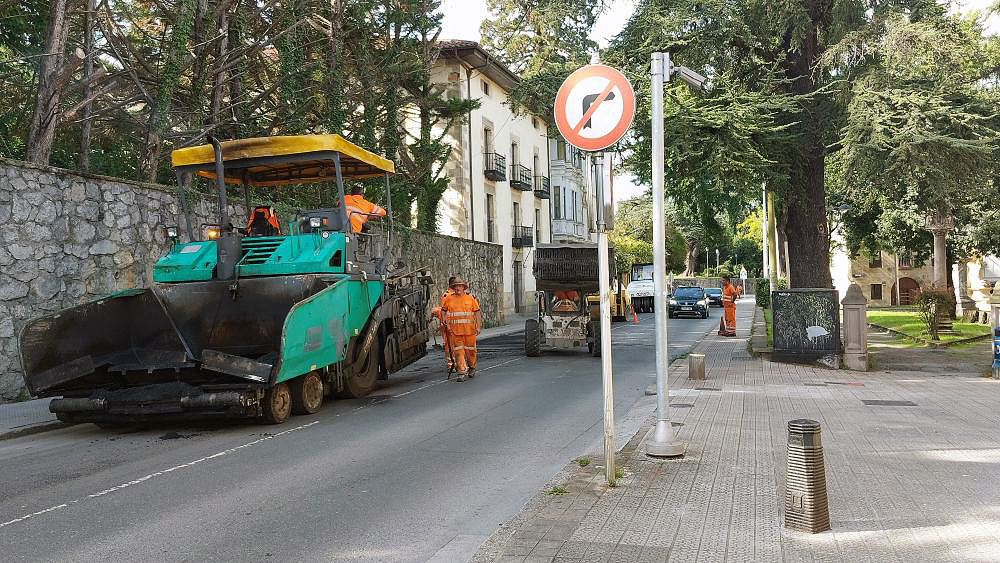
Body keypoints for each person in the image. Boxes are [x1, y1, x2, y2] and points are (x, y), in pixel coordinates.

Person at [441, 277, 482, 382]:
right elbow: (443, 310)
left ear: (464, 287)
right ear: (453, 287)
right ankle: (461, 372)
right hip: (456, 332)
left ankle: (472, 367)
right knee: (458, 352)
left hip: (469, 331)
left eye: (460, 286)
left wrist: (478, 326)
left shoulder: (470, 299)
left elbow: (477, 312)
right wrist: (444, 321)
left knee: (471, 352)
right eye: (456, 286)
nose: (457, 288)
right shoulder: (449, 299)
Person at [431, 277, 457, 370]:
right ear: (452, 284)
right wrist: (445, 324)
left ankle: (457, 363)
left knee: (456, 345)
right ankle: (451, 364)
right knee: (449, 345)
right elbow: (444, 311)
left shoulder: (454, 295)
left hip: (455, 324)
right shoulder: (447, 296)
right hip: (449, 324)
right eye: (457, 284)